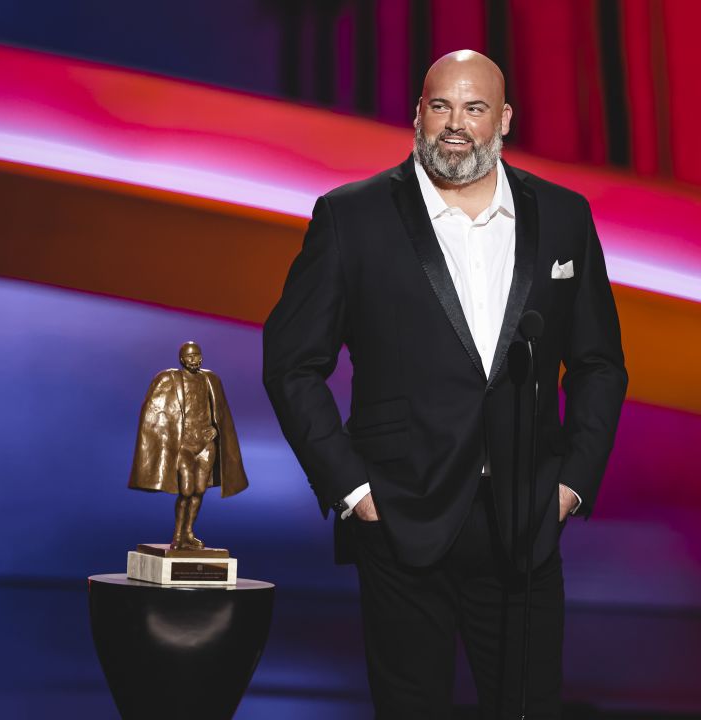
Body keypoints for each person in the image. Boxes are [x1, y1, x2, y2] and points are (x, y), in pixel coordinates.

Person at [263, 50, 628, 718]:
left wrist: (572, 483)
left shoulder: (564, 217)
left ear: (505, 119)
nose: (455, 124)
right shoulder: (353, 217)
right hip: (401, 518)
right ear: (418, 114)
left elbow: (600, 363)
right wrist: (355, 491)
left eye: (475, 107)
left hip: (527, 521)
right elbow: (291, 363)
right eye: (441, 105)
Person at [129, 341, 248, 550]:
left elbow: (221, 413)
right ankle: (178, 535)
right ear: (182, 359)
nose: (196, 360)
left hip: (205, 444)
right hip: (184, 445)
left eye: (198, 355)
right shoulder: (171, 379)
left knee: (199, 490)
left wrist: (216, 430)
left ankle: (189, 533)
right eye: (191, 356)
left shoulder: (211, 379)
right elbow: (154, 410)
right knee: (186, 490)